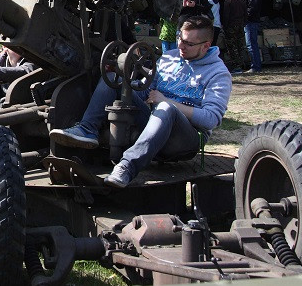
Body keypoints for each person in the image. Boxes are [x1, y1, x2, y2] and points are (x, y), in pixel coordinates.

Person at [50, 16, 231, 188]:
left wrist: (167, 102)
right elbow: (146, 89)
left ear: (206, 46)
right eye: (180, 39)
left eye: (189, 44)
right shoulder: (170, 58)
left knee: (166, 107)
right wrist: (129, 79)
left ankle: (127, 167)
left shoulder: (218, 74)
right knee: (114, 79)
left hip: (185, 138)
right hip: (154, 118)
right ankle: (87, 129)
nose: (181, 46)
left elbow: (210, 119)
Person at [222, 0, 249, 73]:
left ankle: (236, 66)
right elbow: (246, 14)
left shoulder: (228, 1)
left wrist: (225, 27)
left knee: (232, 47)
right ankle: (243, 64)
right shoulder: (241, 0)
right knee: (240, 45)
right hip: (241, 25)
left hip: (231, 26)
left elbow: (226, 16)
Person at [237, 0, 262, 73]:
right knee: (252, 44)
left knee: (251, 44)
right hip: (252, 21)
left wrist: (245, 16)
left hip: (251, 21)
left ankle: (255, 66)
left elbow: (252, 7)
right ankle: (256, 66)